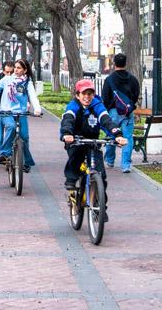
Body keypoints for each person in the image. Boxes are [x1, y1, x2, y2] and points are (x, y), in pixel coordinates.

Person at [60, 79, 128, 219]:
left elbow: (106, 120)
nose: (87, 97)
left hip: (93, 142)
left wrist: (117, 135)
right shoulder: (73, 106)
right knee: (76, 157)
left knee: (100, 175)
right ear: (77, 95)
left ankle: (99, 207)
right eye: (84, 93)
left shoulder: (97, 105)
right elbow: (68, 119)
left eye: (90, 93)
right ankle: (71, 179)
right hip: (76, 140)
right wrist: (67, 133)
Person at [0, 59, 42, 171]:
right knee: (11, 127)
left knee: (24, 137)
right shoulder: (7, 79)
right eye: (15, 67)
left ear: (25, 70)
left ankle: (26, 162)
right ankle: (4, 152)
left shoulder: (27, 83)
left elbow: (33, 96)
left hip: (21, 113)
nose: (16, 70)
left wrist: (37, 109)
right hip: (6, 112)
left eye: (19, 68)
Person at [101, 53, 140, 173]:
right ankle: (126, 165)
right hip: (128, 113)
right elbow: (136, 94)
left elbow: (105, 97)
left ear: (114, 63)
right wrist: (129, 106)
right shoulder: (133, 79)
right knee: (127, 138)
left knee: (112, 135)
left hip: (113, 112)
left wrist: (109, 108)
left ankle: (110, 160)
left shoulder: (109, 79)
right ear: (125, 63)